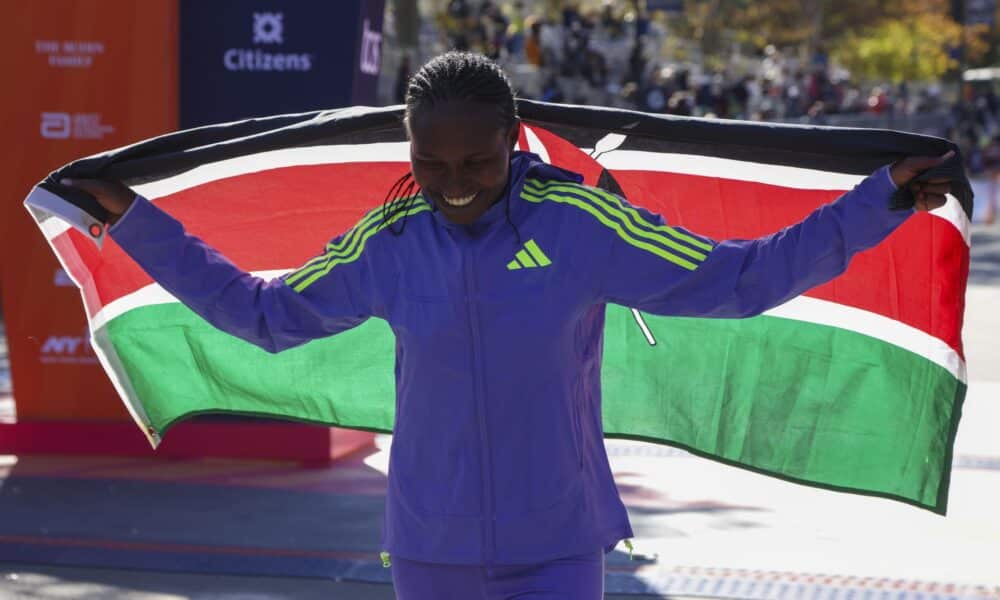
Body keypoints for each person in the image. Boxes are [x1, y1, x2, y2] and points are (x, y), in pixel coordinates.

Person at [64, 51, 954, 600]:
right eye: (431, 160)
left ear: (515, 138)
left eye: (478, 161)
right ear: (406, 148)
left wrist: (877, 203)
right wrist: (134, 221)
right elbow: (260, 316)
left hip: (558, 548)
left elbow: (741, 279)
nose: (454, 180)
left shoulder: (582, 224)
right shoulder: (392, 239)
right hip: (431, 551)